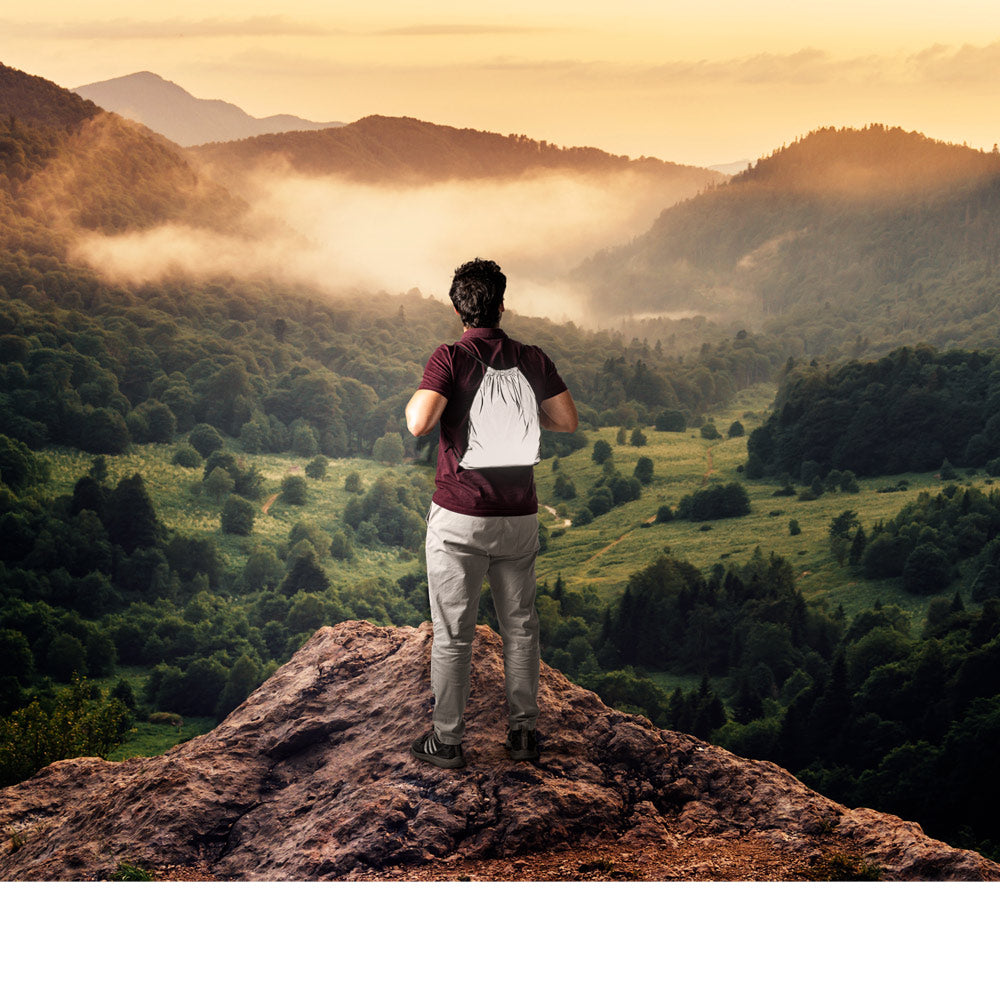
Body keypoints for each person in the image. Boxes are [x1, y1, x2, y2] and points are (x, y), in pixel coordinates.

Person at [405, 258, 578, 769]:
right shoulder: (531, 356)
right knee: (521, 626)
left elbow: (419, 423)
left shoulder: (451, 357)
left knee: (454, 632)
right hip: (519, 517)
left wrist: (439, 392)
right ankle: (523, 735)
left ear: (459, 308)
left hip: (460, 515)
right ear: (502, 304)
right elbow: (566, 420)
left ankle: (449, 740)